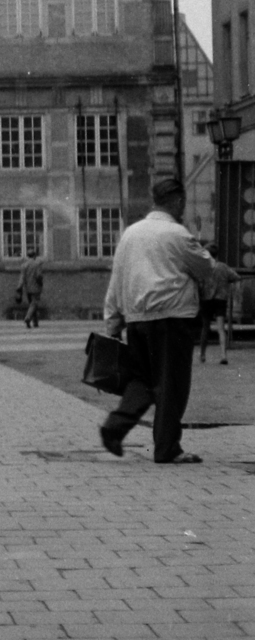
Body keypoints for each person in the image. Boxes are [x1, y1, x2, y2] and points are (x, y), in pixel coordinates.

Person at [99, 178, 214, 464]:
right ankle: (167, 448)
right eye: (182, 204)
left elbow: (117, 279)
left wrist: (112, 320)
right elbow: (205, 267)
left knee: (142, 379)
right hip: (171, 320)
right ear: (177, 201)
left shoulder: (130, 234)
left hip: (137, 320)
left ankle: (115, 427)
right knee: (170, 384)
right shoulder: (178, 234)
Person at [198, 257, 240, 365]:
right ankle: (223, 355)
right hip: (221, 299)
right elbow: (236, 277)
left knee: (205, 327)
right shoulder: (223, 266)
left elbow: (198, 282)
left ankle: (202, 354)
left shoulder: (202, 267)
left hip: (206, 300)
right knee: (221, 328)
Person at [19, 252, 45, 328]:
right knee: (34, 304)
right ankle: (28, 317)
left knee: (32, 304)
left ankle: (35, 322)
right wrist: (40, 283)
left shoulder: (24, 265)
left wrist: (19, 287)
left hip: (27, 288)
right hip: (35, 287)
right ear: (34, 256)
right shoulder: (36, 265)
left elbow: (22, 277)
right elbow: (39, 276)